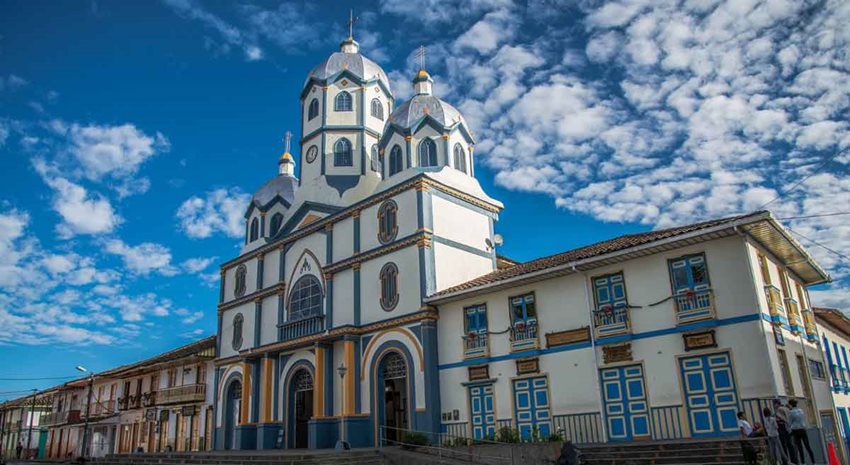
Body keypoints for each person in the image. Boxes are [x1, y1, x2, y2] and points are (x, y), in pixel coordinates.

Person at [789, 399, 815, 465]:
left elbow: (790, 422)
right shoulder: (801, 410)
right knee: (807, 446)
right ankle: (813, 461)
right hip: (803, 429)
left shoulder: (791, 412)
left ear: (790, 405)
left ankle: (803, 462)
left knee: (800, 447)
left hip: (796, 431)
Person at [774, 399, 799, 464]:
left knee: (784, 446)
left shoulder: (779, 410)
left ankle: (786, 461)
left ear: (777, 403)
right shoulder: (786, 409)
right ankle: (794, 460)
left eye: (774, 404)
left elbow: (781, 418)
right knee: (790, 445)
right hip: (789, 429)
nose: (774, 405)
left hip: (783, 428)